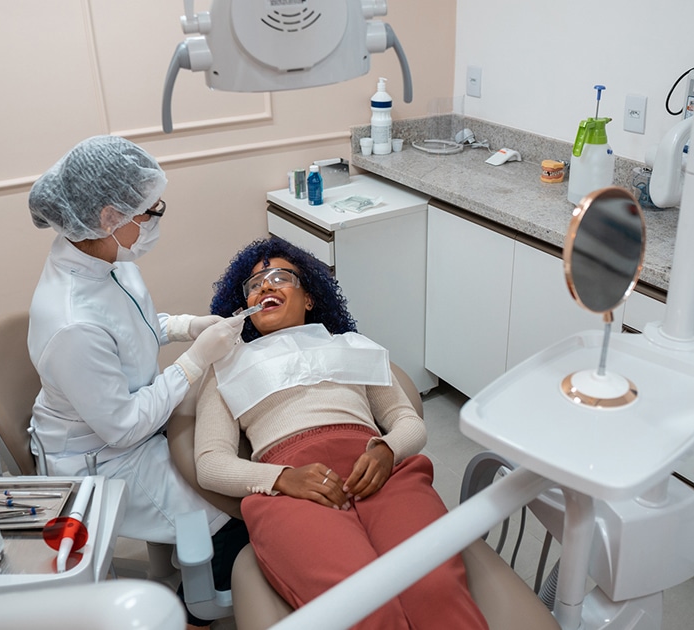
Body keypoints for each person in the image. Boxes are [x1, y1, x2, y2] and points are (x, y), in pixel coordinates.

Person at [194, 237, 488, 629]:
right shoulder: (226, 368)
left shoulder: (355, 346)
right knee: (364, 606)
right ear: (245, 307)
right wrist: (280, 478)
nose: (265, 287)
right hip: (293, 487)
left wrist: (387, 449)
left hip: (379, 470)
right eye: (254, 285)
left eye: (281, 277)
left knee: (433, 588)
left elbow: (408, 421)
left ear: (310, 298)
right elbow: (209, 463)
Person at [26, 135, 247, 628]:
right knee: (233, 512)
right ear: (108, 217)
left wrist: (188, 325)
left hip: (137, 424)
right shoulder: (71, 322)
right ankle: (199, 611)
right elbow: (122, 428)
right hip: (106, 461)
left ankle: (182, 569)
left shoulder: (108, 260)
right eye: (148, 211)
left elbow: (136, 327)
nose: (154, 220)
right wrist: (193, 361)